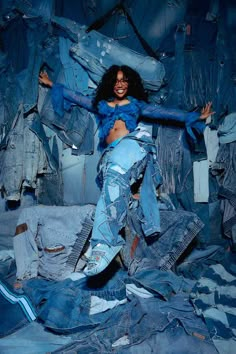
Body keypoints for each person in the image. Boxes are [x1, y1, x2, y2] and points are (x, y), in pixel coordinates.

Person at [39, 65, 213, 276]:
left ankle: (105, 240)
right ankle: (105, 245)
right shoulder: (101, 105)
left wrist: (194, 117)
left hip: (133, 144)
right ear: (111, 84)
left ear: (130, 84)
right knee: (110, 192)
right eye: (116, 80)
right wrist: (51, 84)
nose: (120, 84)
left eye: (124, 80)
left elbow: (166, 113)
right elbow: (75, 97)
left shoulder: (136, 105)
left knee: (119, 168)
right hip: (111, 156)